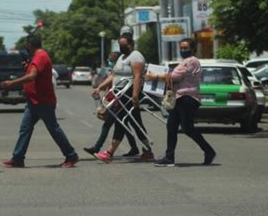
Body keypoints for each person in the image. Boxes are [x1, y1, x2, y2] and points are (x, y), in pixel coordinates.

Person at [0, 35, 79, 168]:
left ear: (30, 45)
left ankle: (71, 156)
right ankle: (18, 158)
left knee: (53, 128)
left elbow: (32, 76)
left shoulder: (40, 56)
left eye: (27, 46)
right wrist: (27, 67)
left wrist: (11, 83)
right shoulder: (36, 57)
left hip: (43, 101)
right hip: (33, 101)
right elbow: (34, 73)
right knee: (25, 128)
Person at [146, 38, 216, 167]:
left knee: (187, 128)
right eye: (181, 48)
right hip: (180, 98)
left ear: (193, 49)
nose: (183, 50)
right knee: (171, 126)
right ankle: (169, 157)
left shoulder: (191, 61)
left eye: (186, 48)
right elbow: (172, 75)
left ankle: (209, 151)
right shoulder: (184, 62)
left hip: (188, 98)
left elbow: (174, 77)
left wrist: (154, 76)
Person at [92, 35, 154, 163]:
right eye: (120, 45)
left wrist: (135, 96)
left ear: (131, 44)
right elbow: (114, 75)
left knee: (121, 121)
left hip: (129, 93)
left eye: (123, 45)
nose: (121, 47)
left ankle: (109, 153)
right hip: (119, 94)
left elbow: (137, 77)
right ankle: (148, 151)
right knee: (136, 124)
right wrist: (100, 87)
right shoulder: (122, 57)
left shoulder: (136, 56)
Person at [83, 51, 140, 157]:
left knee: (109, 125)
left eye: (112, 60)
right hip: (116, 101)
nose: (110, 62)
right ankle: (135, 148)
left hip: (120, 102)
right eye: (109, 59)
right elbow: (109, 89)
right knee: (125, 126)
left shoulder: (120, 73)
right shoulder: (115, 72)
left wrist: (106, 106)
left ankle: (98, 148)